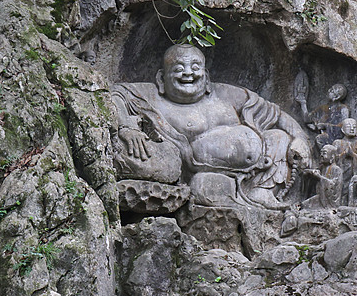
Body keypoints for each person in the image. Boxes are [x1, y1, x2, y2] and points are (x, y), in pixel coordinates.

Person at [112, 44, 313, 207]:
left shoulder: (226, 95)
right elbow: (114, 95)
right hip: (201, 174)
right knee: (203, 186)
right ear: (161, 78)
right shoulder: (150, 96)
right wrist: (127, 127)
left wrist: (301, 139)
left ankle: (263, 192)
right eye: (179, 69)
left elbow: (276, 113)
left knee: (279, 137)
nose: (188, 73)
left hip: (259, 170)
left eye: (196, 67)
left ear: (207, 76)